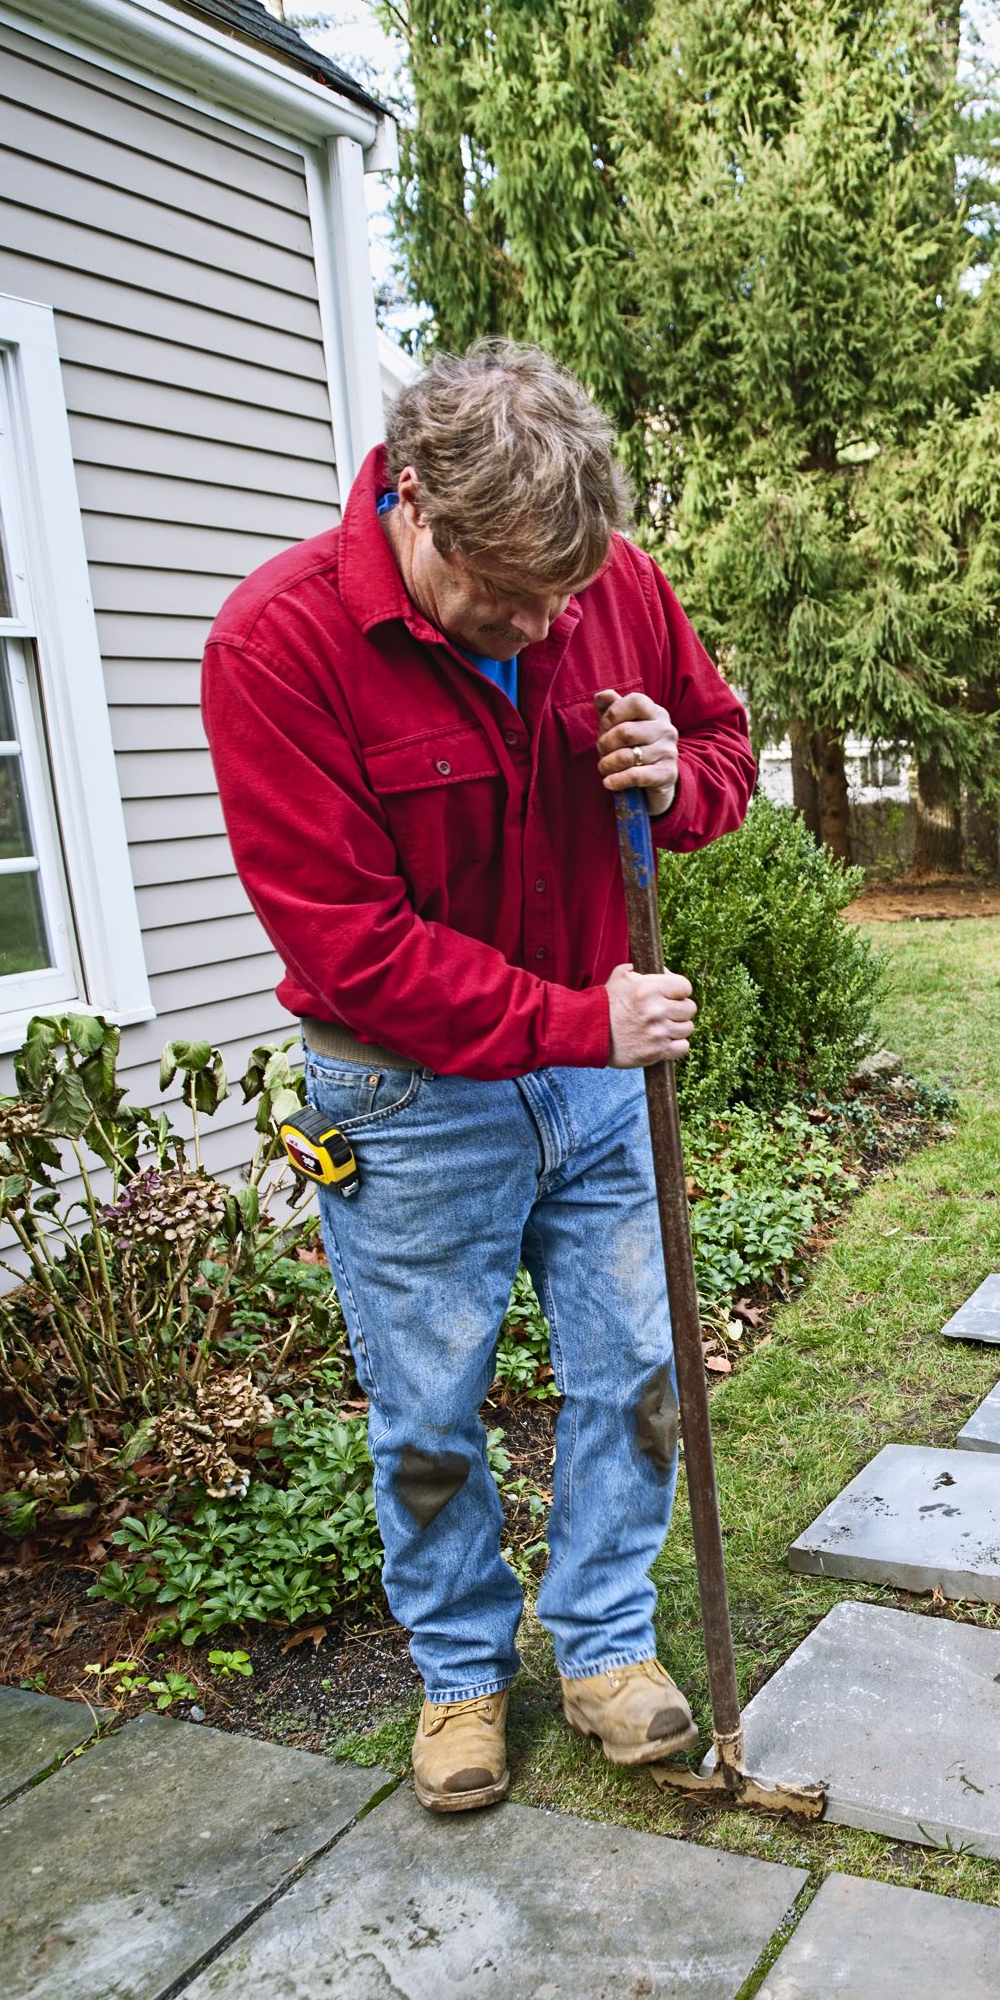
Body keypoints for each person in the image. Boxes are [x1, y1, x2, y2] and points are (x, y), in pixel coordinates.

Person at [201, 340, 756, 1812]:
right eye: (510, 598)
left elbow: (721, 751)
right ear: (421, 516)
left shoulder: (605, 584)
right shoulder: (279, 647)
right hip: (404, 1102)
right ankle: (459, 1673)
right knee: (429, 1409)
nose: (542, 623)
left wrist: (673, 776)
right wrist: (587, 1023)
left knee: (631, 1369)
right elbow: (358, 949)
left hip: (592, 1091)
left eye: (563, 598)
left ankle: (605, 1647)